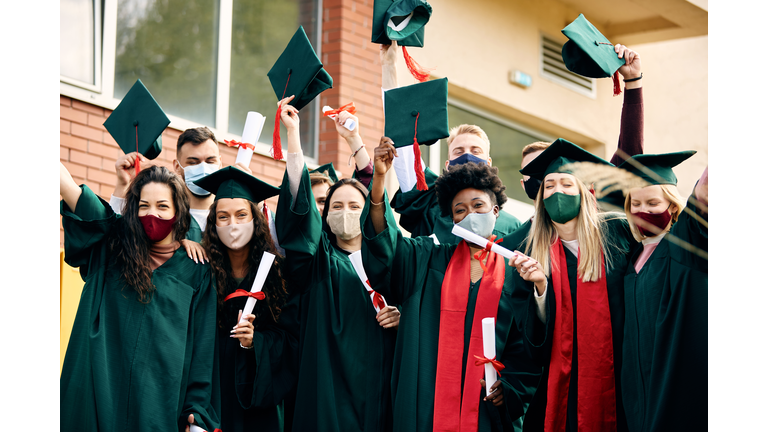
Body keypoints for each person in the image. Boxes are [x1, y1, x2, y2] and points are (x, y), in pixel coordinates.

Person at [362, 139, 541, 432]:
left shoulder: (515, 272)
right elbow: (385, 247)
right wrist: (380, 178)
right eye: (460, 210)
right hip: (426, 408)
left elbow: (527, 348)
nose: (469, 215)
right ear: (452, 218)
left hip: (485, 412)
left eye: (478, 206)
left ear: (496, 212)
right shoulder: (426, 258)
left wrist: (511, 389)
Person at [59, 162, 220, 432]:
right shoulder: (112, 248)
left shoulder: (197, 270)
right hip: (97, 391)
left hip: (158, 402)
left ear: (179, 211)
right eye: (144, 205)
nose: (151, 214)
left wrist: (197, 414)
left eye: (162, 206)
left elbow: (203, 350)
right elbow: (82, 203)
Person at [274, 96, 401, 432]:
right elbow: (300, 220)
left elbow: (380, 211)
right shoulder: (319, 265)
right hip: (329, 396)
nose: (346, 212)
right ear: (324, 217)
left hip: (380, 391)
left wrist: (354, 139)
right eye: (336, 206)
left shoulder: (390, 263)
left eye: (354, 205)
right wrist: (294, 135)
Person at [508, 139, 635, 432]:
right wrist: (540, 287)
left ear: (583, 191)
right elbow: (531, 345)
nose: (557, 192)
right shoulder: (527, 252)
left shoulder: (619, 232)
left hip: (619, 377)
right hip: (559, 386)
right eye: (549, 186)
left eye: (566, 183)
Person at [380, 41, 522, 244]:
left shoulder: (512, 226)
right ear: (447, 165)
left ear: (488, 162)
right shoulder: (429, 202)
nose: (467, 155)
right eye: (458, 151)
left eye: (475, 150)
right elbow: (402, 139)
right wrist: (389, 66)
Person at [189, 166, 297, 432]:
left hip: (259, 398)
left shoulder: (278, 273)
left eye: (241, 215)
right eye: (223, 217)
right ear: (213, 224)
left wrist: (254, 342)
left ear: (255, 218)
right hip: (212, 391)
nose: (233, 224)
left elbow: (291, 339)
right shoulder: (202, 269)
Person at [617, 153, 708, 432]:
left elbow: (705, 192)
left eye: (654, 203)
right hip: (636, 391)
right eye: (637, 203)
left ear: (673, 205)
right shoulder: (629, 257)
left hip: (676, 379)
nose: (644, 209)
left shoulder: (684, 242)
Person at [110, 127, 282, 251]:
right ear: (177, 167)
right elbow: (117, 239)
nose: (203, 167)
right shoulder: (165, 214)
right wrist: (123, 184)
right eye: (193, 162)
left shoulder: (231, 216)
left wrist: (251, 198)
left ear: (220, 163)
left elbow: (277, 250)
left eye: (210, 161)